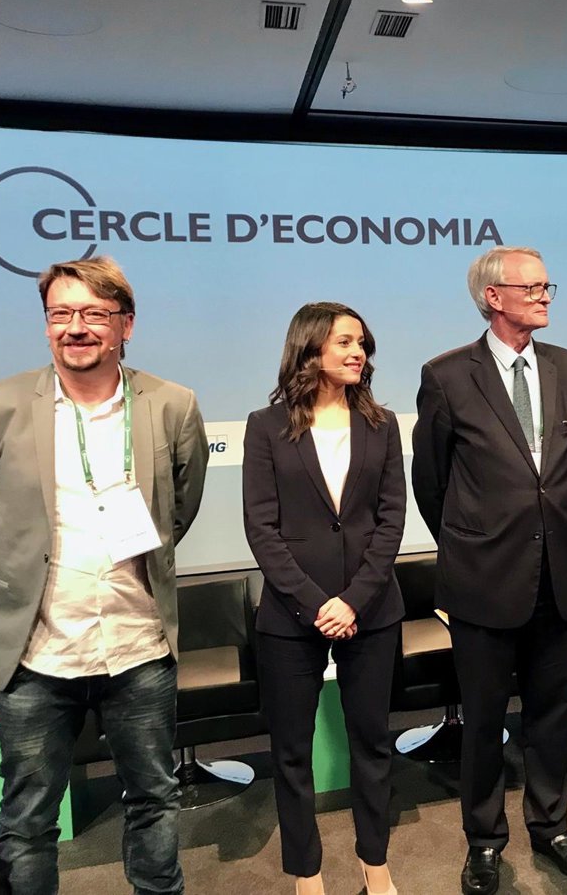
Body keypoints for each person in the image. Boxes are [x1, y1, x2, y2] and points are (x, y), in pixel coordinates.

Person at [0, 256, 208, 895]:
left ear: (126, 324)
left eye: (94, 313)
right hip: (38, 654)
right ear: (46, 325)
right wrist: (21, 573)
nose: (75, 327)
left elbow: (180, 506)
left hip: (138, 646)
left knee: (153, 800)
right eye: (60, 313)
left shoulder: (172, 405)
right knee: (27, 821)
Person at [412, 246, 567, 895]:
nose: (546, 296)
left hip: (558, 573)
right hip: (483, 578)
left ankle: (552, 827)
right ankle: (485, 841)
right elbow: (431, 482)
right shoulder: (446, 375)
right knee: (484, 721)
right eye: (533, 287)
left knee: (552, 714)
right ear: (493, 297)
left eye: (548, 286)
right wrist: (475, 539)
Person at [242, 303, 404, 895]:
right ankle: (306, 875)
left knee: (373, 743)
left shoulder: (382, 424)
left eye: (362, 343)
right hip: (291, 616)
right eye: (344, 342)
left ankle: (375, 863)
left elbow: (391, 521)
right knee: (291, 753)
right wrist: (316, 604)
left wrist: (353, 600)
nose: (358, 352)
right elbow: (262, 528)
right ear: (310, 349)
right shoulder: (266, 426)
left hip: (371, 609)